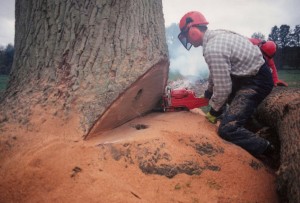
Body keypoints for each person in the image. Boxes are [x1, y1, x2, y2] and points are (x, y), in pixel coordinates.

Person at [178, 11, 275, 157]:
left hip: (256, 81)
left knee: (227, 129)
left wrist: (213, 111)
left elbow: (223, 88)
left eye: (186, 36)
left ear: (193, 31)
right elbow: (216, 72)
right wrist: (209, 93)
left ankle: (268, 150)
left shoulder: (213, 48)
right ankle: (252, 128)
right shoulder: (216, 36)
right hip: (246, 75)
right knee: (231, 110)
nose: (188, 40)